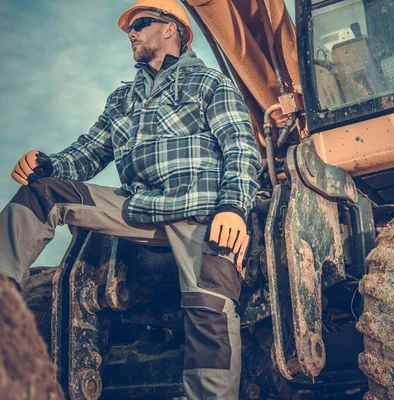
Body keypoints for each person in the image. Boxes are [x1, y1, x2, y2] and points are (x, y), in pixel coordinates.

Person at [0, 0, 261, 398]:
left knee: (210, 310)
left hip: (198, 208)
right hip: (137, 208)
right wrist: (49, 164)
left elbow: (241, 147)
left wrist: (234, 207)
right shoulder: (122, 99)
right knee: (42, 194)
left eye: (139, 24)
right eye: (129, 28)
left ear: (171, 28)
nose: (131, 33)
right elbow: (86, 154)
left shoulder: (210, 83)